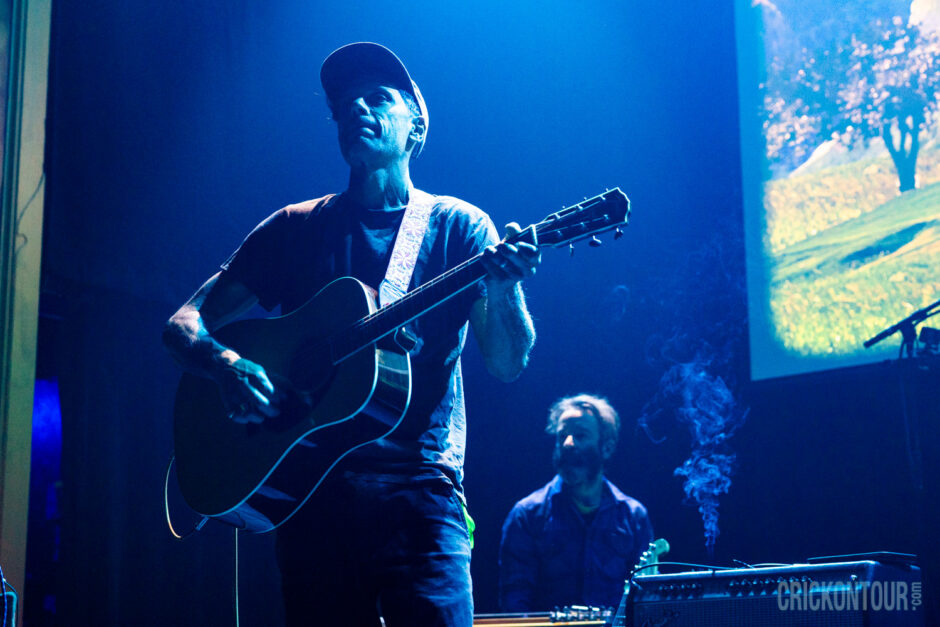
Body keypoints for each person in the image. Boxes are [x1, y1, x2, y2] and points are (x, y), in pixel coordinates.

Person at [163, 42, 540, 627]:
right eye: (344, 103)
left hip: (420, 492)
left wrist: (506, 284)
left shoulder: (459, 227)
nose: (356, 109)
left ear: (416, 124)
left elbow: (508, 363)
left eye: (377, 98)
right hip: (308, 492)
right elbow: (183, 324)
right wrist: (226, 365)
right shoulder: (295, 227)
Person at [499, 394, 653, 612]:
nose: (568, 443)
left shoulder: (633, 516)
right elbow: (515, 603)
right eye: (562, 436)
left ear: (607, 447)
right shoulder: (526, 514)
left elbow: (646, 601)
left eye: (580, 435)